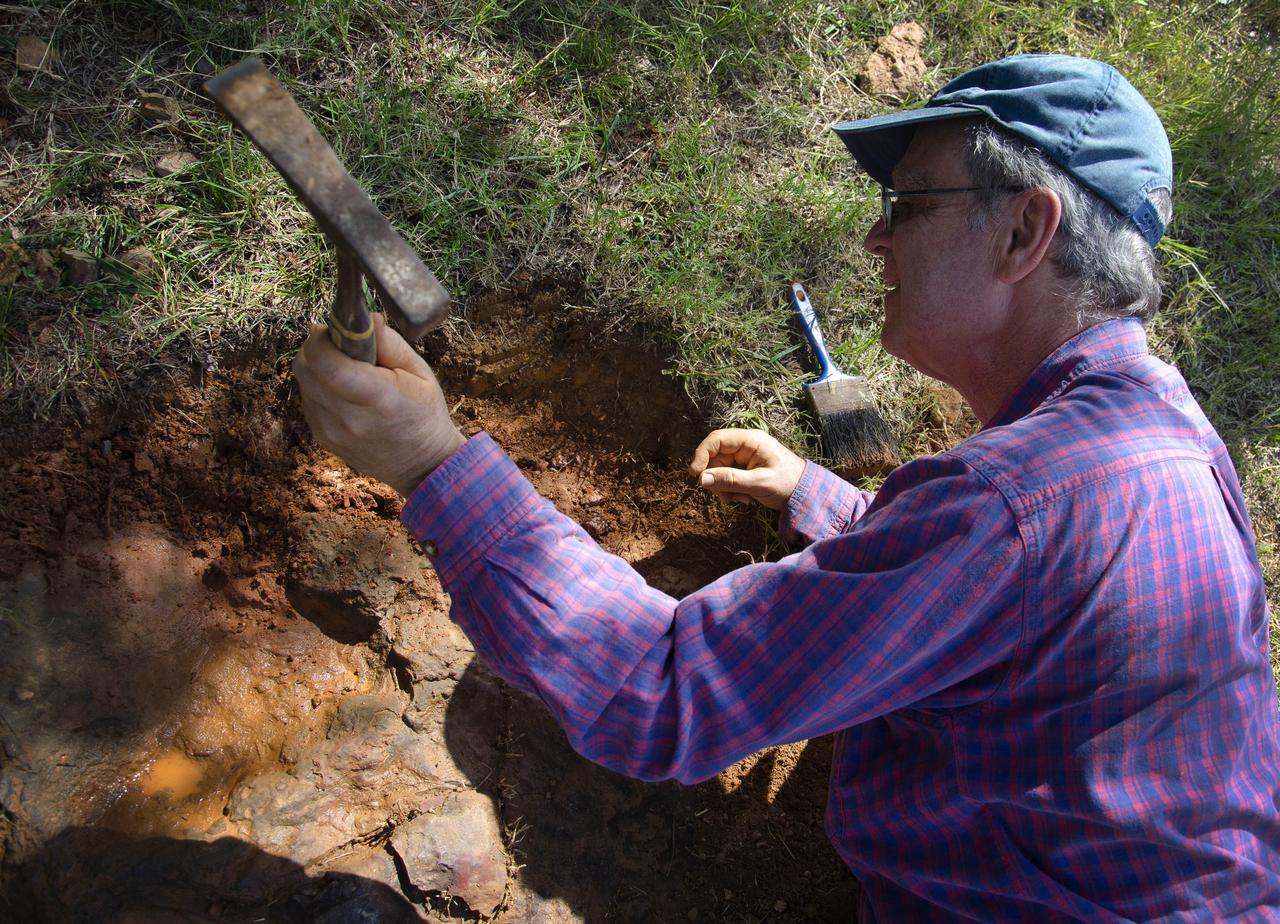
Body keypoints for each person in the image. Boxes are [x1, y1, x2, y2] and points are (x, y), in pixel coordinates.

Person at [293, 54, 1280, 921]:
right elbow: (1002, 605)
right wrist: (824, 501)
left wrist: (430, 463)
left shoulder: (1009, 508)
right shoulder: (1166, 438)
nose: (873, 242)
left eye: (906, 203)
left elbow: (658, 693)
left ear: (1025, 230)